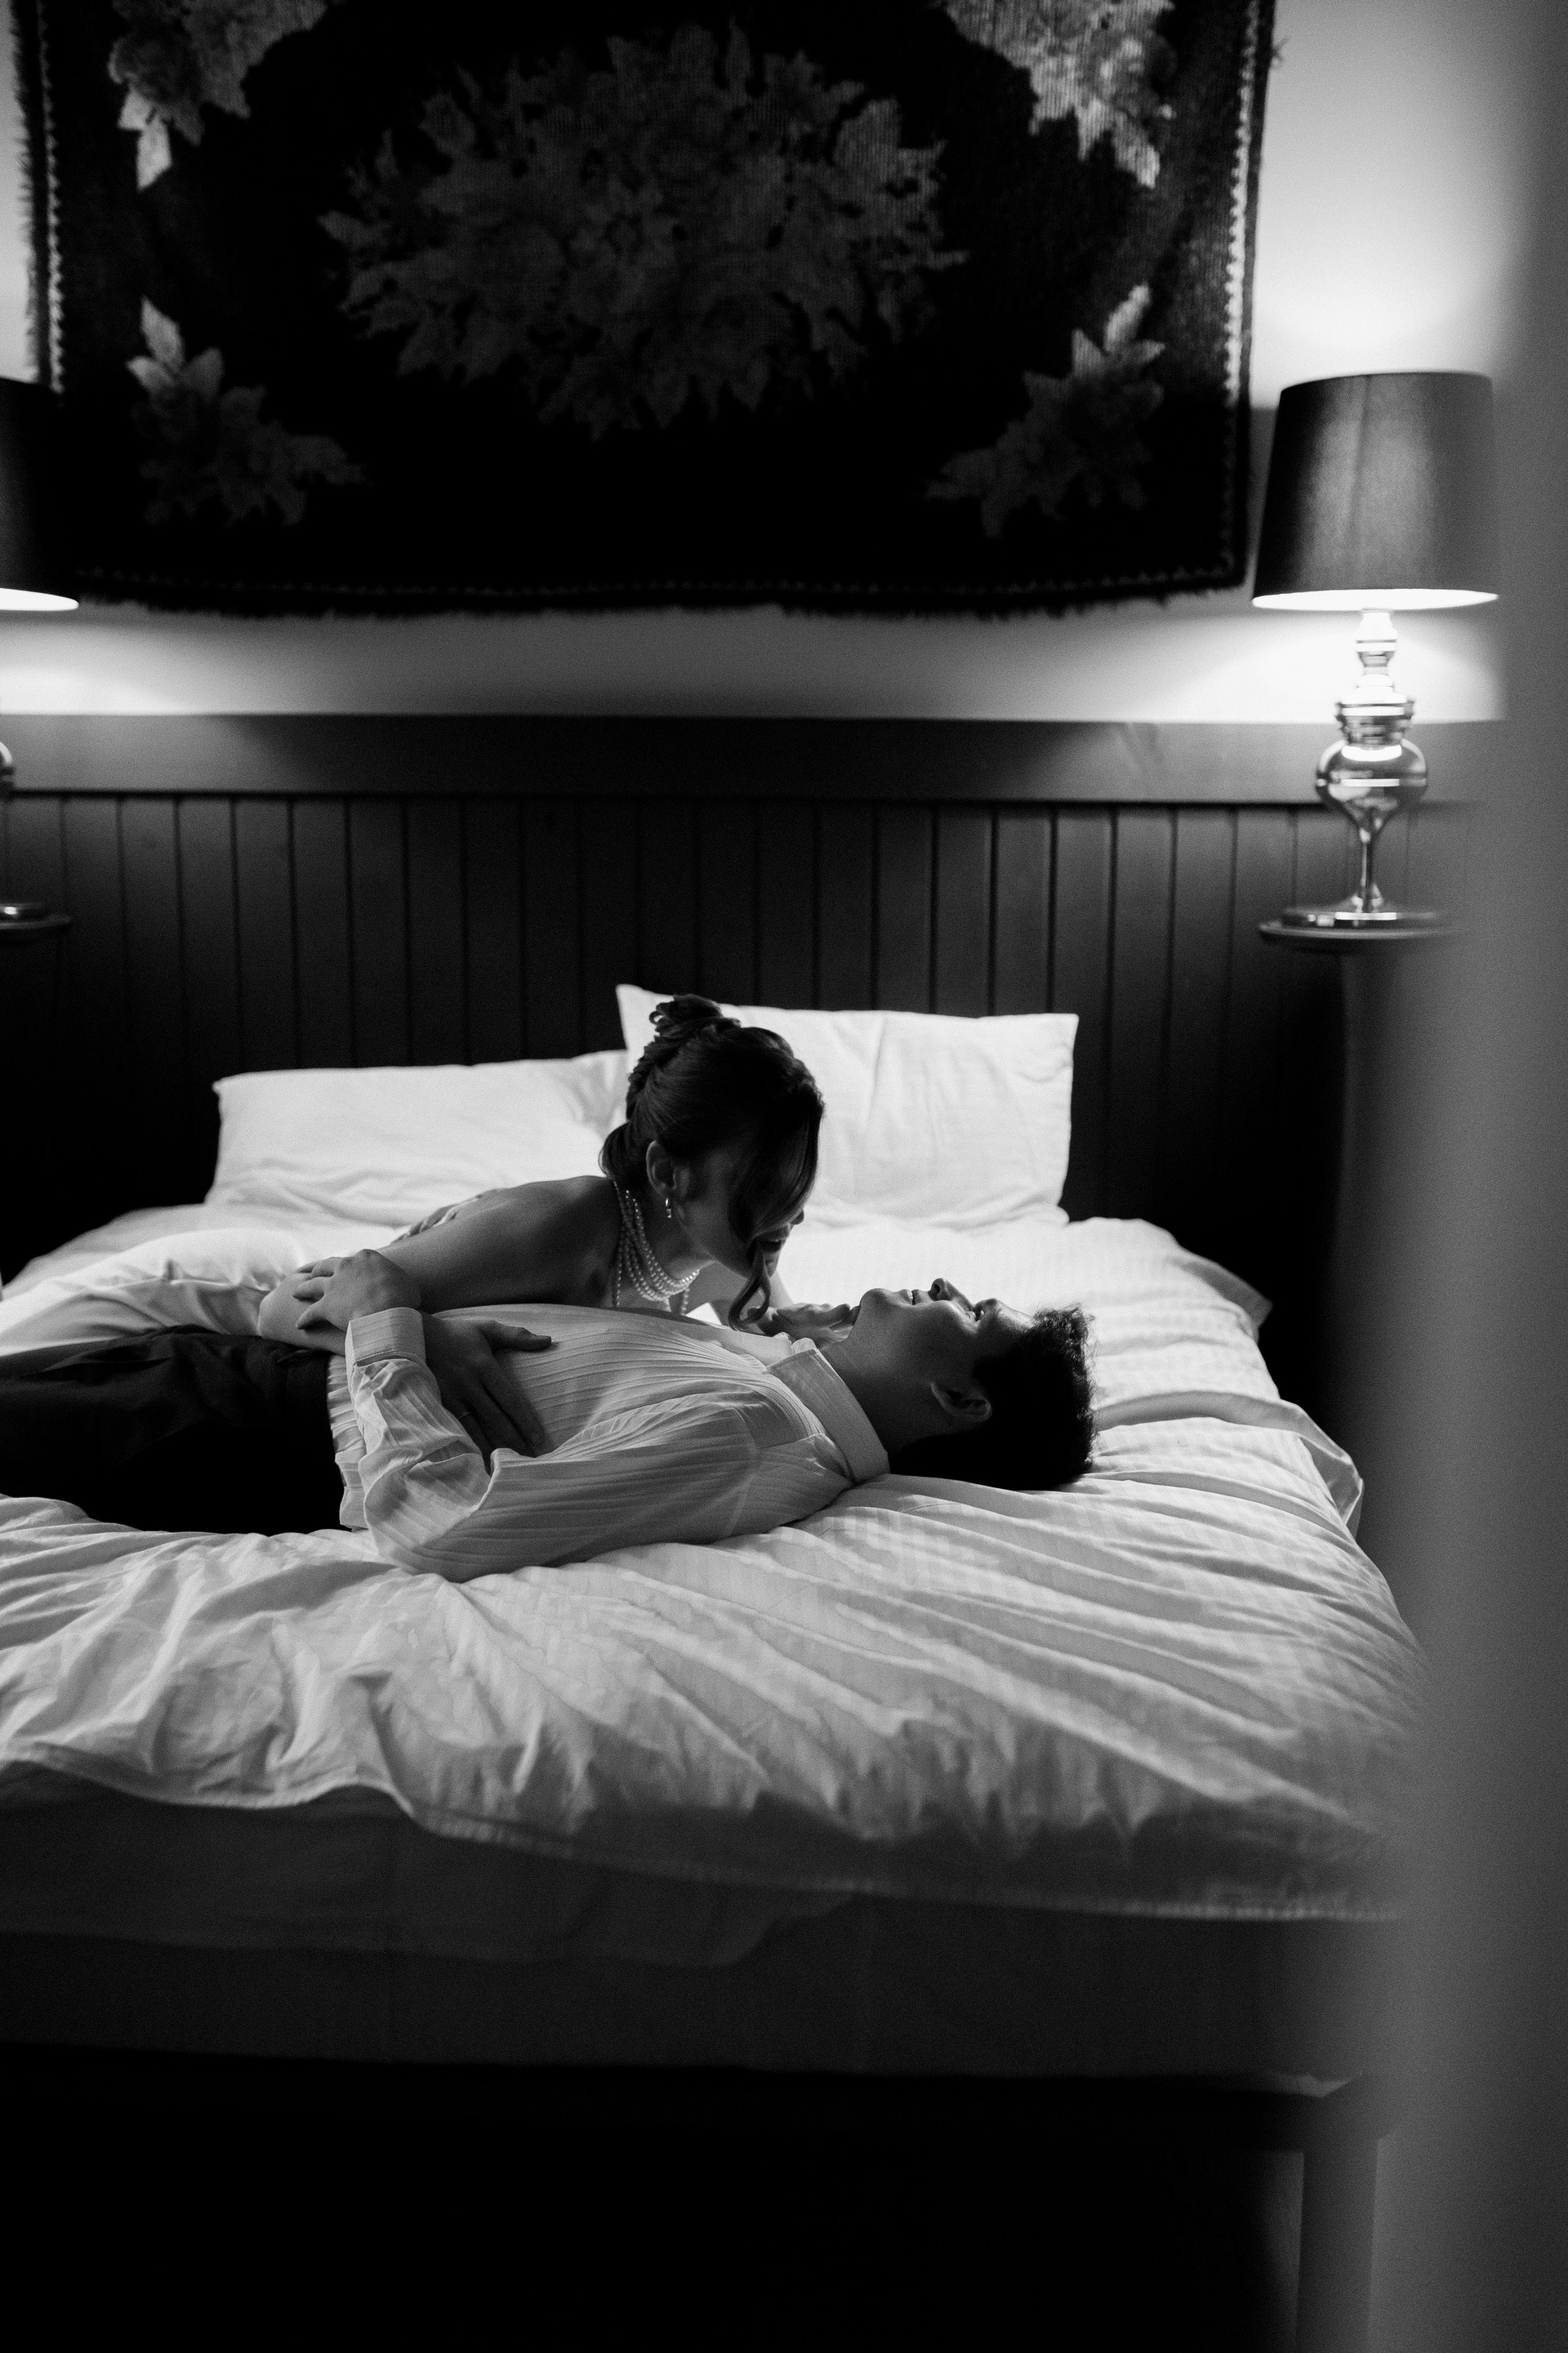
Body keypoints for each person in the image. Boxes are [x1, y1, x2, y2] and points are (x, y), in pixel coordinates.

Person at [0, 1254, 1095, 1564]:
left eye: (970, 1309)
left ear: (958, 1398)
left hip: (257, 1429)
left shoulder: (759, 1435)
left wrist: (388, 1317)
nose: (943, 1284)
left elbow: (447, 1523)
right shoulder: (778, 1384)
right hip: (260, 1375)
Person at [256, 994, 849, 1457]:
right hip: (286, 1397)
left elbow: (792, 1358)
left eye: (799, 1184)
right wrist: (421, 1339)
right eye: (768, 1184)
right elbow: (279, 1307)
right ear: (668, 1173)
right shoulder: (558, 1230)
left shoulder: (727, 1262)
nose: (794, 1214)